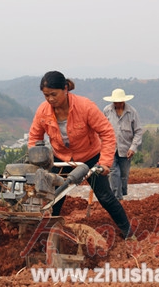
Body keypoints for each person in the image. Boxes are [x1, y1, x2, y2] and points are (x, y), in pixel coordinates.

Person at [28, 71, 132, 239]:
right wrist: (36, 161)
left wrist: (105, 163)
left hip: (90, 157)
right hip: (61, 159)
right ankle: (48, 236)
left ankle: (128, 232)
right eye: (46, 95)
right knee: (53, 198)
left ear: (65, 89)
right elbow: (34, 137)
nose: (50, 99)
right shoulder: (43, 111)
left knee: (105, 197)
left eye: (54, 94)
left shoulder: (85, 107)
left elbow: (107, 133)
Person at [103, 89, 143, 201]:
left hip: (126, 148)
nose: (117, 104)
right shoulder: (107, 111)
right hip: (110, 147)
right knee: (113, 172)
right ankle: (117, 197)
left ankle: (122, 192)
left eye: (119, 102)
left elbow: (138, 131)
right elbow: (102, 128)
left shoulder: (132, 112)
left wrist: (133, 148)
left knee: (123, 175)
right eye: (115, 102)